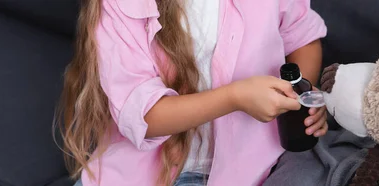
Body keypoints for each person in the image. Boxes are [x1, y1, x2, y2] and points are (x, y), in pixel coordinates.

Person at [55, 0, 329, 185]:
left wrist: (301, 97)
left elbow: (302, 38)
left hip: (251, 170)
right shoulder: (120, 6)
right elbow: (145, 117)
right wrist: (234, 97)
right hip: (143, 175)